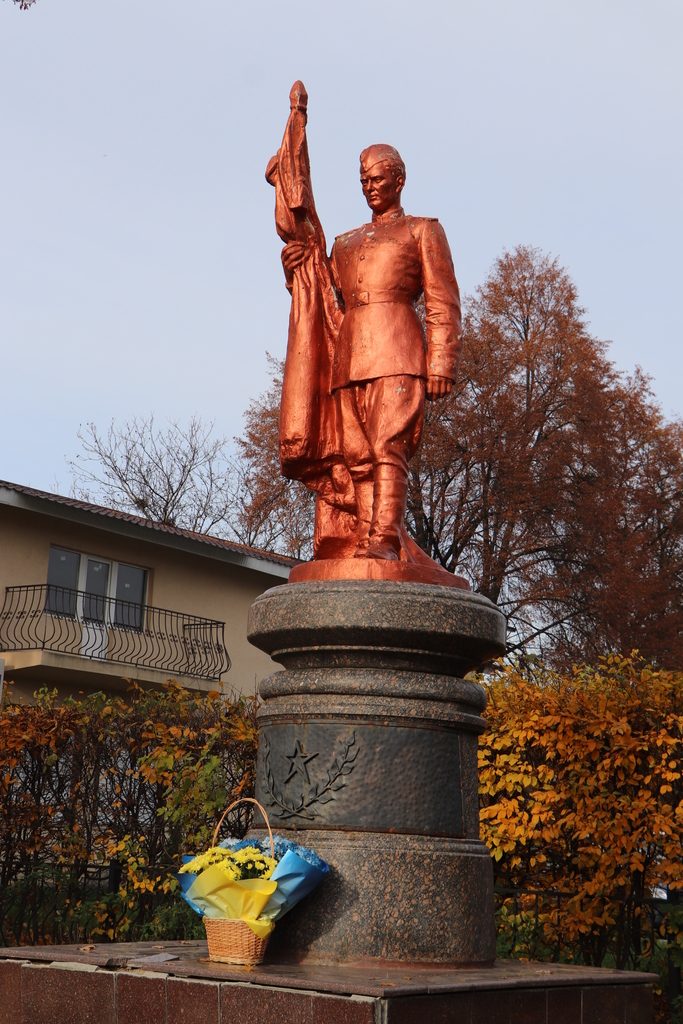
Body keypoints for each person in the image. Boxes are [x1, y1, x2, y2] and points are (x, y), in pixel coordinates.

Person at [281, 143, 461, 561]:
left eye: (377, 178)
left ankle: (385, 538)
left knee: (388, 446)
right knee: (357, 457)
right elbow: (323, 297)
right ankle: (364, 535)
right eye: (364, 180)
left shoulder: (422, 230)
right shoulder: (345, 242)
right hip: (349, 358)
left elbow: (443, 301)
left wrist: (441, 363)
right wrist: (295, 269)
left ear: (399, 180)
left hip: (398, 351)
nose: (370, 187)